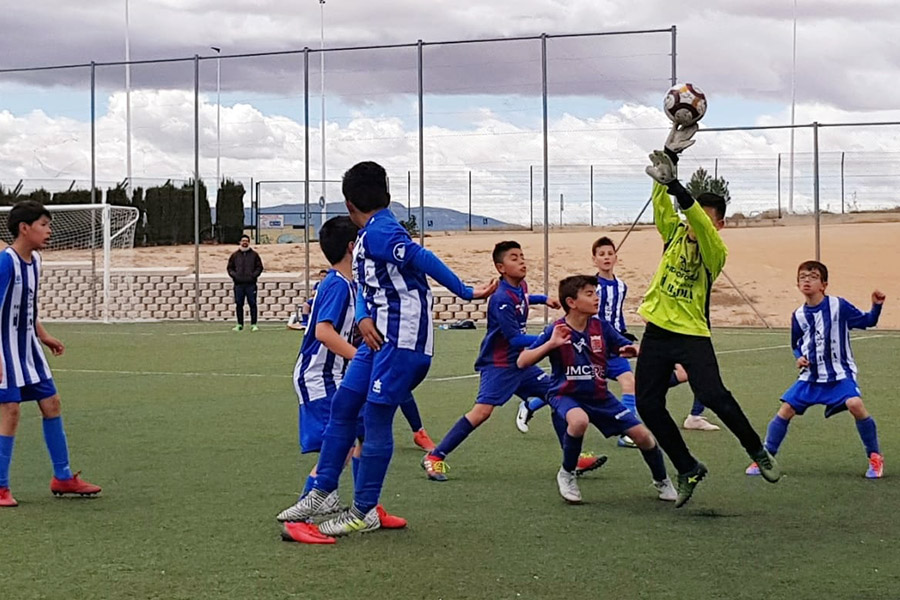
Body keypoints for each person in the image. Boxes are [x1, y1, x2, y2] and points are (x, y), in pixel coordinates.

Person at [274, 161, 496, 537]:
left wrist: (466, 291)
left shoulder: (383, 232)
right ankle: (323, 491)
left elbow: (419, 257)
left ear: (348, 204)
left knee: (375, 420)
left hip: (402, 343)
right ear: (387, 193)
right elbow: (363, 286)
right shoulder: (367, 236)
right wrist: (362, 317)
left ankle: (363, 510)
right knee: (345, 406)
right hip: (377, 341)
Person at [636, 125, 780, 507]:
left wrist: (679, 189)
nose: (696, 223)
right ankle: (687, 467)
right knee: (647, 404)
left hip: (692, 334)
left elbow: (694, 217)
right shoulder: (674, 233)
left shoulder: (715, 248)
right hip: (657, 330)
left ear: (719, 224)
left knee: (713, 394)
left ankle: (757, 450)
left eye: (706, 218)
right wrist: (670, 160)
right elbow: (663, 208)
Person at [421, 242, 604, 482]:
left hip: (522, 363)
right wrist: (551, 337)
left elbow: (524, 298)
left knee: (557, 397)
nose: (521, 261)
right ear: (501, 267)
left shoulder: (519, 287)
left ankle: (574, 458)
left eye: (522, 256)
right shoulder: (500, 299)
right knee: (481, 413)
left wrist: (543, 299)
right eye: (514, 258)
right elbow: (515, 339)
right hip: (500, 365)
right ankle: (435, 456)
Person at [516, 236, 719, 444]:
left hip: (612, 343)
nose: (606, 258)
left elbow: (616, 313)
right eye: (601, 254)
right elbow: (588, 317)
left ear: (616, 257)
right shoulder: (592, 288)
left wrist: (622, 336)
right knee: (575, 384)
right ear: (594, 259)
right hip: (591, 345)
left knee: (629, 381)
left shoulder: (621, 286)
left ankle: (626, 433)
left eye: (610, 254)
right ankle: (531, 405)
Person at [276, 216, 405, 543]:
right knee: (342, 443)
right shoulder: (336, 284)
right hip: (320, 377)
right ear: (353, 247)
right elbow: (322, 332)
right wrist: (361, 359)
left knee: (365, 434)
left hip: (337, 376)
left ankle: (368, 508)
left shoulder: (354, 285)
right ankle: (300, 519)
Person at [517, 275, 676, 504]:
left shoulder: (601, 327)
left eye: (596, 293)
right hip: (565, 394)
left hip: (600, 397)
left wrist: (635, 350)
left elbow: (625, 346)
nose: (596, 298)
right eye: (589, 294)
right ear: (571, 302)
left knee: (644, 437)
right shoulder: (556, 329)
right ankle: (567, 473)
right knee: (578, 421)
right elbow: (522, 361)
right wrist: (551, 344)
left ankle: (662, 481)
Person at [0, 200, 101, 508]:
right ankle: (1, 486)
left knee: (52, 403)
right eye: (44, 225)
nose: (49, 230)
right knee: (11, 411)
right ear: (24, 228)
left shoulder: (37, 261)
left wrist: (44, 336)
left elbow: (27, 306)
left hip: (28, 347)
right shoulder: (6, 263)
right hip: (3, 349)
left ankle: (63, 476)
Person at [745, 261, 885, 479]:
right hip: (811, 377)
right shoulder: (799, 315)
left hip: (839, 374)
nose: (806, 280)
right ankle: (766, 458)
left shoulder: (838, 306)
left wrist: (876, 306)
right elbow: (796, 344)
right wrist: (798, 357)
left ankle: (875, 457)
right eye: (802, 277)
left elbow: (868, 321)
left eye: (812, 276)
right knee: (786, 410)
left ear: (824, 284)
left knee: (855, 404)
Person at [227, 234, 263, 332]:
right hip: (238, 285)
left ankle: (253, 324)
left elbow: (259, 267)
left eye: (246, 241)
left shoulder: (254, 255)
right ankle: (239, 324)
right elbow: (230, 268)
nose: (244, 243)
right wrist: (235, 276)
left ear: (249, 242)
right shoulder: (235, 255)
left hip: (251, 284)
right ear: (240, 242)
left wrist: (253, 276)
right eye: (243, 241)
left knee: (252, 304)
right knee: (239, 304)